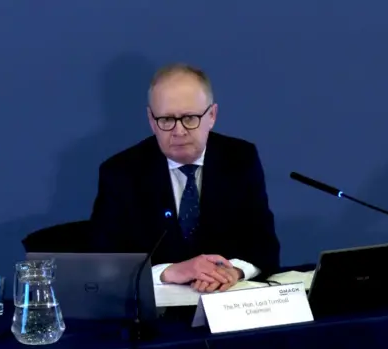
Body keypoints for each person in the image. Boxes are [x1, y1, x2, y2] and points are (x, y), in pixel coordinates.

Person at [90, 63, 280, 293]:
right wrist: (170, 271)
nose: (179, 131)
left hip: (225, 306)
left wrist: (234, 271)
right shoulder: (121, 173)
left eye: (190, 118)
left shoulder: (240, 159)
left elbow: (265, 245)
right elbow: (104, 263)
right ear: (152, 120)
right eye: (167, 120)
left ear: (212, 116)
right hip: (155, 318)